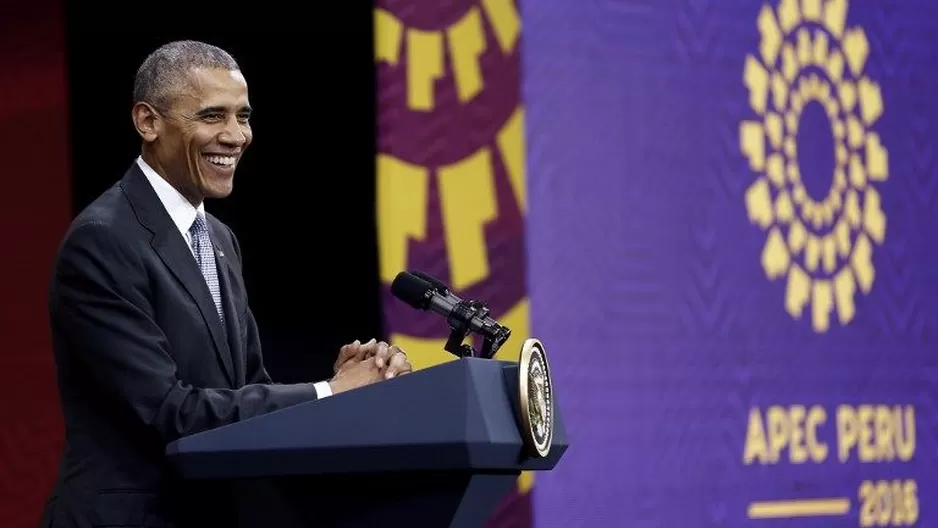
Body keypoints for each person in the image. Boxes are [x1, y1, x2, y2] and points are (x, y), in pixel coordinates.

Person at [40, 40, 410, 527]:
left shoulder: (217, 238)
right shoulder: (103, 241)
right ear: (148, 122)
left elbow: (245, 389)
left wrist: (334, 385)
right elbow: (169, 412)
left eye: (244, 116)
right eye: (213, 116)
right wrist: (326, 392)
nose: (236, 136)